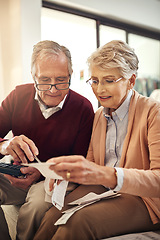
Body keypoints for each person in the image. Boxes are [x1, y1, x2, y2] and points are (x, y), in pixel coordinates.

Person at [34, 40, 160, 240]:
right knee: (51, 217)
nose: (99, 89)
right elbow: (92, 164)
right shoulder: (100, 115)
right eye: (94, 80)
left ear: (131, 80)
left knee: (77, 222)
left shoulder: (154, 113)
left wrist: (108, 175)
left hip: (143, 198)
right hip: (105, 190)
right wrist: (66, 173)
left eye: (109, 80)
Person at [0, 40, 94, 240]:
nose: (53, 89)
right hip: (17, 174)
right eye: (44, 80)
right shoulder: (18, 96)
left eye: (61, 79)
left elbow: (81, 163)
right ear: (33, 76)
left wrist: (42, 174)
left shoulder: (83, 109)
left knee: (35, 205)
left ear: (70, 75)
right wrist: (5, 145)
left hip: (53, 179)